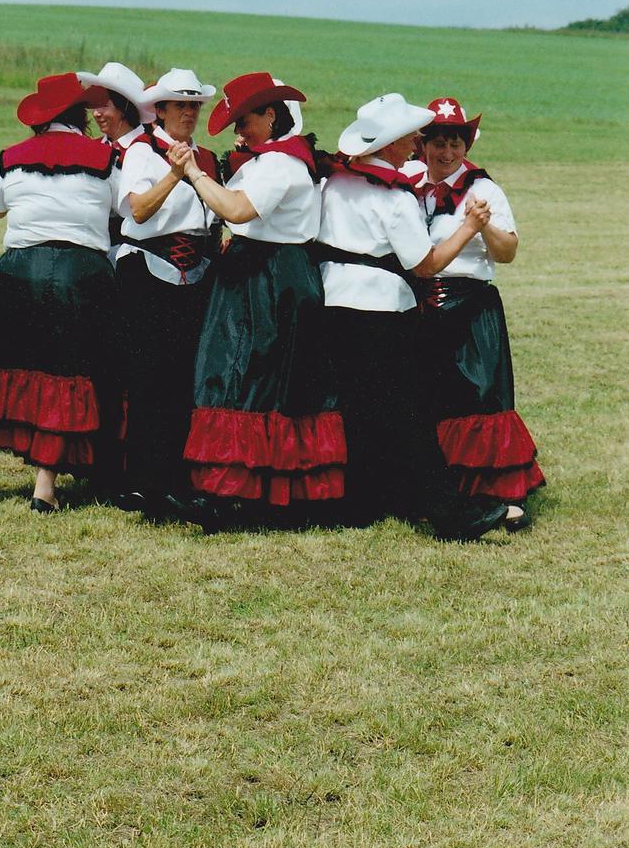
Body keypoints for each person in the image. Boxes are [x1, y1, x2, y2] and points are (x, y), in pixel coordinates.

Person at [0, 72, 122, 512]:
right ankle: (44, 488)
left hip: (19, 269)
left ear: (38, 122)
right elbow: (122, 209)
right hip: (80, 272)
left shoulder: (12, 157)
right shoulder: (105, 159)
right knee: (64, 372)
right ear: (78, 118)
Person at [315, 92, 508, 541]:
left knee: (356, 406)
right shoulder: (397, 197)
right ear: (389, 144)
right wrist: (466, 229)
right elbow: (424, 264)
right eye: (410, 137)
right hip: (380, 307)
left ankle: (361, 503)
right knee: (409, 412)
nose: (417, 143)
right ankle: (448, 513)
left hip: (333, 299)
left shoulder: (336, 182)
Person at [176, 72, 346, 519]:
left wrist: (192, 172)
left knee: (251, 378)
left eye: (244, 120)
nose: (238, 131)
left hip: (271, 277)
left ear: (271, 115)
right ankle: (238, 487)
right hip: (265, 271)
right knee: (249, 378)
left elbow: (236, 209)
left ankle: (239, 492)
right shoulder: (271, 160)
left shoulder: (282, 165)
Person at [413, 97, 544, 530]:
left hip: (469, 303)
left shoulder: (484, 190)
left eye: (454, 143)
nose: (446, 153)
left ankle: (499, 494)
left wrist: (482, 224)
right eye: (438, 143)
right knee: (431, 396)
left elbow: (507, 253)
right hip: (419, 302)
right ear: (423, 144)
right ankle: (438, 490)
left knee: (480, 396)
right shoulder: (409, 180)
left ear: (465, 146)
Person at [115, 68, 220, 517]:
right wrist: (176, 175)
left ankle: (177, 476)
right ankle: (141, 481)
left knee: (183, 378)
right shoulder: (142, 151)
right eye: (181, 105)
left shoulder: (210, 159)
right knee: (147, 376)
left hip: (195, 272)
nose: (189, 114)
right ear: (159, 109)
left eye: (195, 106)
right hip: (147, 269)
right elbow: (137, 210)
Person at [83, 62, 157, 260]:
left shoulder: (151, 148)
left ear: (124, 107)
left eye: (104, 106)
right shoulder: (91, 147)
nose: (96, 113)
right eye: (94, 106)